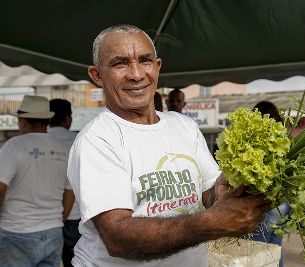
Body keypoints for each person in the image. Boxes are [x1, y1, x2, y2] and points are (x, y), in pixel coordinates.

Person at [67, 24, 272, 267]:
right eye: (120, 63)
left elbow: (208, 192)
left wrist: (225, 189)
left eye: (145, 61)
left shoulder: (184, 125)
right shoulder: (98, 139)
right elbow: (117, 238)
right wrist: (211, 223)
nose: (136, 74)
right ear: (97, 75)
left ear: (157, 66)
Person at [0, 95, 74, 267]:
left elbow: (0, 189)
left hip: (16, 231)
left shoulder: (15, 146)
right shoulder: (64, 149)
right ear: (47, 120)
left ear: (23, 121)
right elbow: (70, 192)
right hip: (53, 232)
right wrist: (59, 219)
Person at [251, 100, 292, 267]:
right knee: (274, 249)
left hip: (263, 201)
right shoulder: (285, 143)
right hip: (282, 202)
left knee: (257, 252)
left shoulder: (255, 143)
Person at [48, 98, 80, 267]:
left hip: (45, 218)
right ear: (68, 119)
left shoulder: (39, 142)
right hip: (76, 217)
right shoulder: (80, 141)